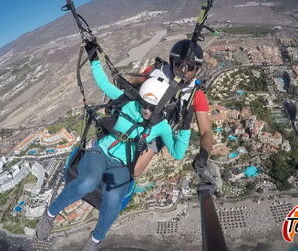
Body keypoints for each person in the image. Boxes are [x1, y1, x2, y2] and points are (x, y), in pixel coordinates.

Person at [35, 41, 193, 250]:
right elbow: (103, 83)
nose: (146, 112)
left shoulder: (162, 125)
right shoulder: (129, 102)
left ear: (161, 107)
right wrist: (93, 58)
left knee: (113, 199)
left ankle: (95, 241)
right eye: (144, 106)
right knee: (88, 182)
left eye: (151, 109)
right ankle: (49, 215)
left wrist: (185, 126)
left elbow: (177, 152)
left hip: (122, 166)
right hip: (101, 152)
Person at [132, 39, 217, 193]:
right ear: (171, 62)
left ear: (196, 69)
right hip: (141, 114)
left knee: (135, 170)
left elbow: (205, 132)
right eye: (178, 64)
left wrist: (203, 155)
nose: (184, 71)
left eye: (190, 67)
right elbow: (133, 81)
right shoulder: (157, 72)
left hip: (161, 130)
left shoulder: (195, 95)